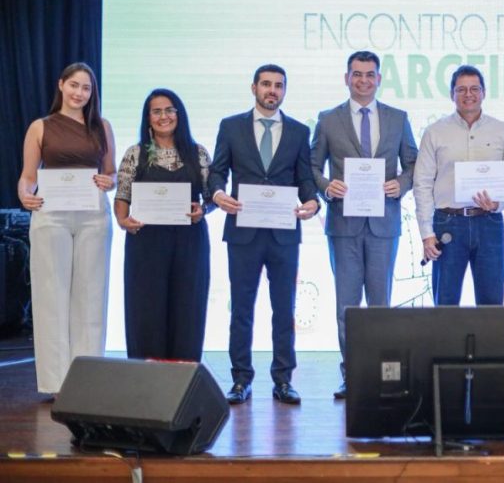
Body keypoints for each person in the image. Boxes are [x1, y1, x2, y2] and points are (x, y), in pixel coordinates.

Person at [209, 64, 319, 405]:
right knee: (241, 310)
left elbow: (305, 178)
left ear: (284, 91)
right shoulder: (231, 126)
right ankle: (240, 380)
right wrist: (217, 194)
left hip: (284, 233)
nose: (272, 90)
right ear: (254, 87)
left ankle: (283, 380)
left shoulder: (299, 131)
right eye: (266, 84)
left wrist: (313, 201)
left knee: (284, 310)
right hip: (243, 232)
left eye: (279, 85)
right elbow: (217, 171)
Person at [310, 51, 417, 399]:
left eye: (370, 74)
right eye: (357, 74)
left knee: (381, 306)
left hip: (384, 224)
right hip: (344, 225)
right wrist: (327, 187)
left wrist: (401, 184)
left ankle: (382, 375)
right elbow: (312, 166)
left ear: (379, 79)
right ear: (346, 78)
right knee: (348, 307)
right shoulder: (328, 120)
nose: (363, 80)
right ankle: (352, 375)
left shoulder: (398, 118)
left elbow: (413, 164)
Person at [17, 62, 116, 397]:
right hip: (51, 214)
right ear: (61, 85)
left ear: (92, 93)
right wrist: (25, 194)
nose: (79, 93)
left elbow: (111, 172)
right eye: (74, 85)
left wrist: (110, 181)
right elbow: (28, 176)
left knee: (92, 295)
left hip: (93, 214)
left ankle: (86, 381)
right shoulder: (40, 127)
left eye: (86, 88)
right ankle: (55, 383)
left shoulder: (102, 126)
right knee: (51, 295)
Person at [413, 64, 504, 306]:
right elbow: (422, 183)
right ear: (452, 94)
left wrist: (498, 203)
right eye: (461, 89)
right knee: (445, 303)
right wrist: (427, 234)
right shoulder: (435, 132)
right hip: (447, 223)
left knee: (491, 302)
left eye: (474, 89)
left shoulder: (503, 131)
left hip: (489, 222)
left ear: (484, 92)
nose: (468, 94)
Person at [114, 89, 212, 362]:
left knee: (188, 307)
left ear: (179, 114)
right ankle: (147, 379)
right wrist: (122, 220)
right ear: (148, 118)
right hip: (146, 243)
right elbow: (122, 195)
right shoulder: (135, 153)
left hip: (189, 242)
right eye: (156, 111)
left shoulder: (198, 153)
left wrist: (203, 210)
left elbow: (211, 197)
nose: (163, 116)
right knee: (146, 310)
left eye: (169, 110)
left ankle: (183, 376)